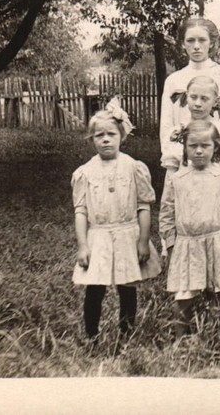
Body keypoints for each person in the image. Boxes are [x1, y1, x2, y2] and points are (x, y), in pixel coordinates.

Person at [72, 100, 161, 342]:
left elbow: (144, 205)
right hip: (98, 235)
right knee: (95, 288)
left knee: (127, 286)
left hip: (127, 234)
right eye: (99, 135)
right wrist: (83, 245)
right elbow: (81, 211)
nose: (106, 140)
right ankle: (91, 335)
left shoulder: (134, 167)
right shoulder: (85, 172)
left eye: (111, 134)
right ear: (92, 140)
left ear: (121, 135)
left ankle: (126, 334)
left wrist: (143, 241)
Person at [159, 119, 220, 338]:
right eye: (192, 146)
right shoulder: (177, 179)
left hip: (217, 241)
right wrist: (170, 245)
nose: (198, 151)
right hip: (186, 244)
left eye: (205, 146)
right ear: (184, 147)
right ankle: (181, 340)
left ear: (215, 147)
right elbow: (167, 213)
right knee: (184, 296)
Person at [159, 18, 220, 173]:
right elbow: (166, 127)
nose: (196, 46)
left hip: (218, 160)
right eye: (190, 40)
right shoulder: (173, 80)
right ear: (182, 43)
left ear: (212, 43)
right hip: (182, 158)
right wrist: (173, 161)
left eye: (202, 40)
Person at [161, 75, 220, 178]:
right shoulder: (177, 130)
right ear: (187, 97)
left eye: (204, 99)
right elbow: (170, 174)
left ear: (215, 101)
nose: (198, 104)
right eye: (193, 97)